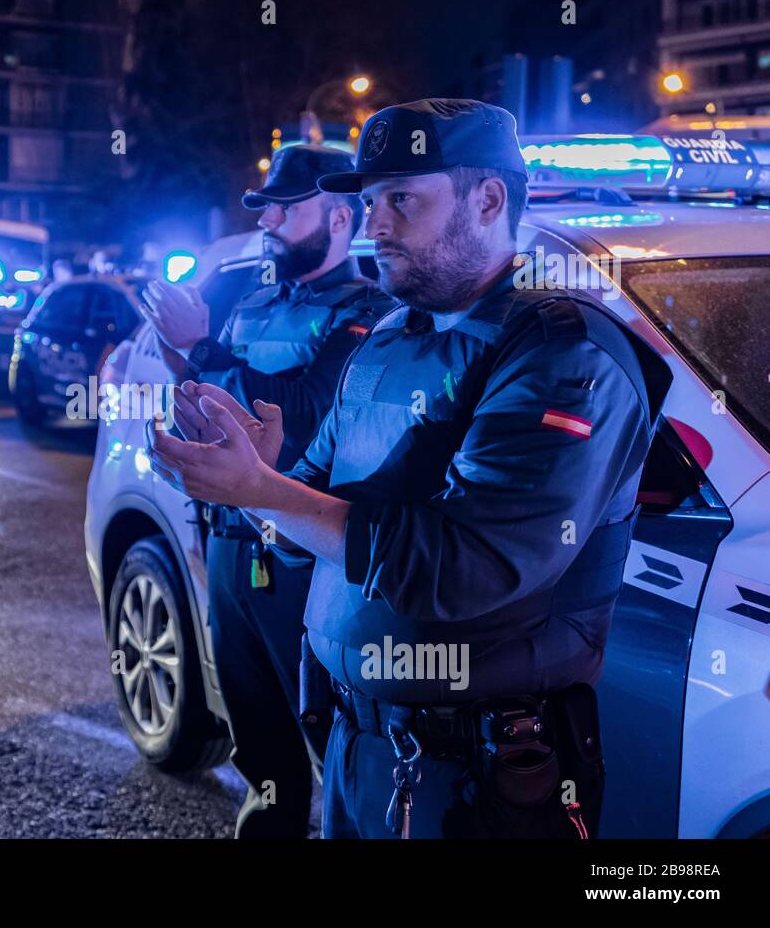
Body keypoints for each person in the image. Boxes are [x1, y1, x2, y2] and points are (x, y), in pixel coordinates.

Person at [147, 99, 672, 839]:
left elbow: (469, 566)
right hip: (362, 751)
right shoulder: (394, 335)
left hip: (485, 777)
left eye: (402, 199)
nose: (373, 225)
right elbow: (317, 514)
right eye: (367, 202)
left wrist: (266, 492)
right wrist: (265, 480)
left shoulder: (562, 348)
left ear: (488, 200)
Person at [141, 144, 390, 838]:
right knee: (261, 753)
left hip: (306, 556)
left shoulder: (371, 313)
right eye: (264, 208)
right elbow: (204, 401)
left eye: (287, 207)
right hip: (228, 548)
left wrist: (201, 354)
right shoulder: (248, 304)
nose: (269, 220)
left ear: (341, 217)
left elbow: (307, 413)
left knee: (334, 749)